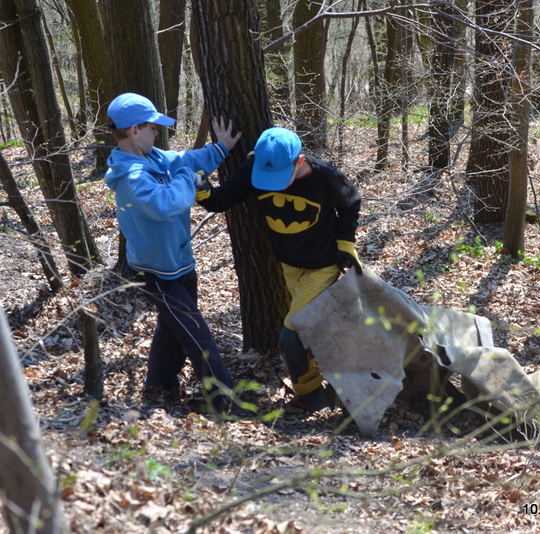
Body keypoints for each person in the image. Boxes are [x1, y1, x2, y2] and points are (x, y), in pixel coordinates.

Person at [196, 127, 362, 413]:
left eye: (281, 177)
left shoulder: (325, 176)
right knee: (313, 330)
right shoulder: (255, 165)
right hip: (288, 265)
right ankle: (337, 383)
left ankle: (311, 394)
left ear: (299, 161)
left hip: (322, 266)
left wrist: (345, 243)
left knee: (291, 336)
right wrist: (202, 188)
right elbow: (222, 200)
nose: (274, 185)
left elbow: (351, 202)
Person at [104, 92, 244, 416]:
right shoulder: (132, 177)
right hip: (155, 273)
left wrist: (221, 148)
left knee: (171, 327)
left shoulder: (152, 157)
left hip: (178, 262)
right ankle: (225, 403)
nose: (158, 133)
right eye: (153, 128)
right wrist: (187, 180)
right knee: (197, 335)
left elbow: (184, 159)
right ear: (135, 131)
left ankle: (160, 382)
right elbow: (165, 204)